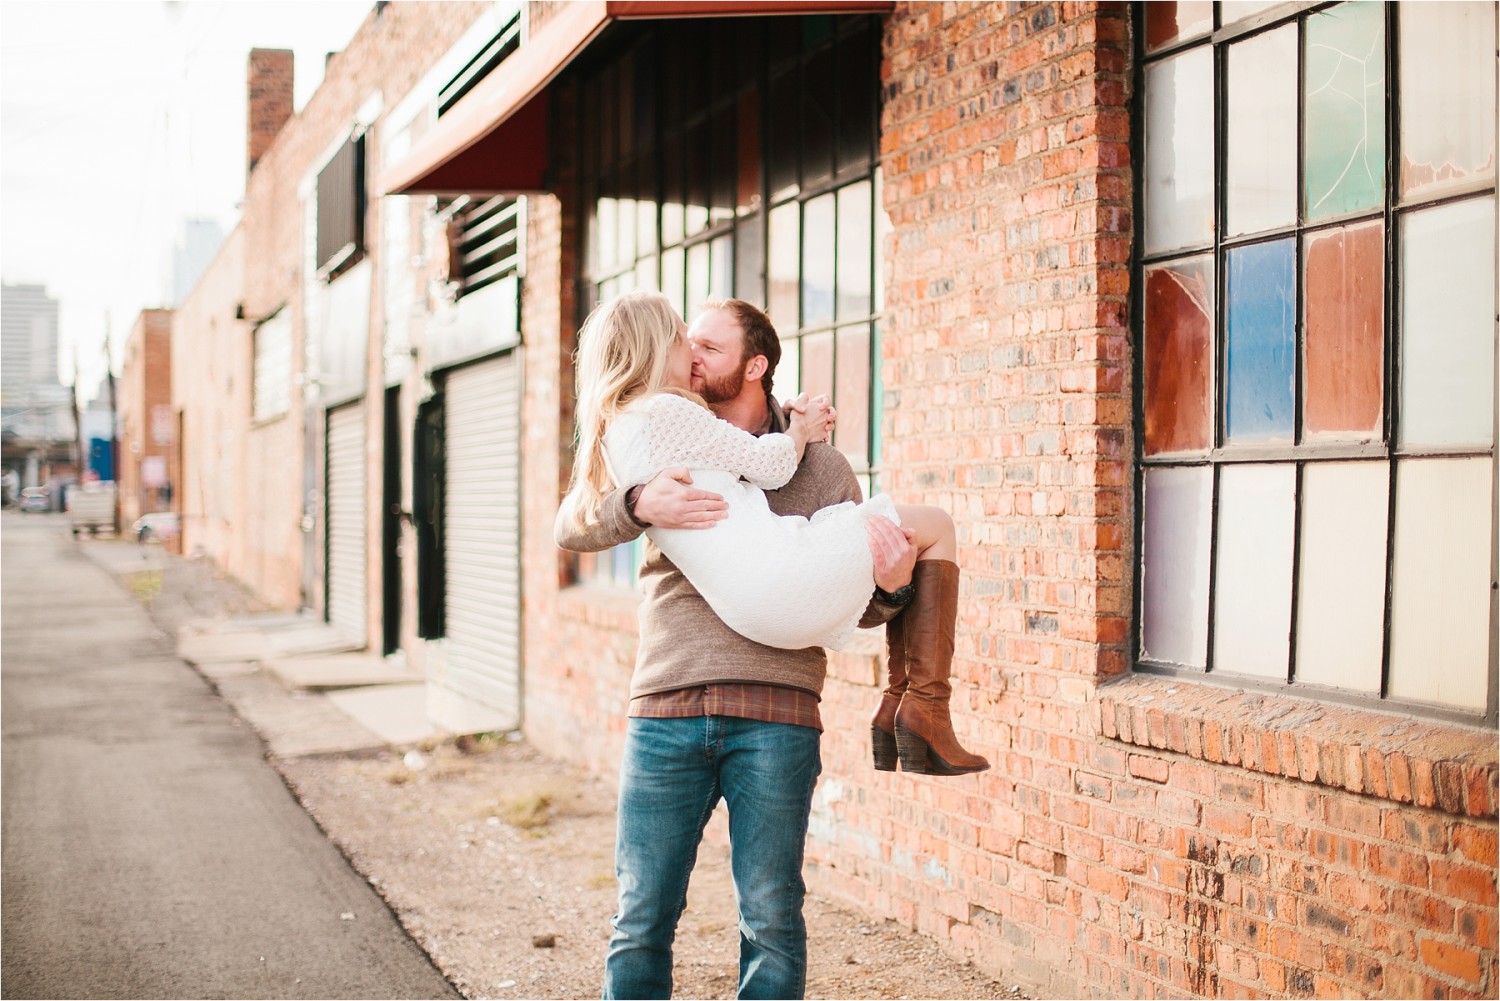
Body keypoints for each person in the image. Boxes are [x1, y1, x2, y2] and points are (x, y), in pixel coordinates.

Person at [555, 293, 987, 1000]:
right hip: (669, 703)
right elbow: (570, 525)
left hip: (776, 711)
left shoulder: (822, 470)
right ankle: (920, 713)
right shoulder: (660, 431)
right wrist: (636, 504)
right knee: (641, 914)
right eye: (684, 342)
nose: (691, 355)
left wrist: (894, 587)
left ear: (756, 365)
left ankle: (919, 712)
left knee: (772, 916)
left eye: (709, 348)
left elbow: (856, 606)